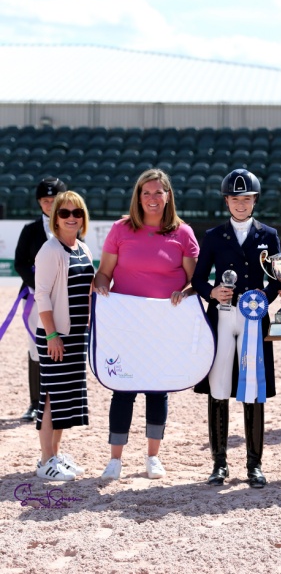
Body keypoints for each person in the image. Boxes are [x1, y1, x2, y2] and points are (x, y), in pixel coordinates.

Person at [94, 169, 199, 481]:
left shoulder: (183, 233)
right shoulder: (120, 229)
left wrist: (186, 292)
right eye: (146, 193)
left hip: (165, 327)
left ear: (168, 196)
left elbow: (196, 282)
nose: (152, 199)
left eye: (158, 192)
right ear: (137, 197)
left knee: (157, 390)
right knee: (123, 389)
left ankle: (153, 456)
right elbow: (104, 274)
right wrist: (100, 286)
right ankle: (115, 459)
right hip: (126, 326)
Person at [192, 169, 281, 488]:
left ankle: (254, 465)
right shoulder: (215, 235)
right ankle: (219, 463)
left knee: (253, 387)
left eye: (246, 199)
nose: (240, 204)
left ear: (254, 199)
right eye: (235, 199)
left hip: (254, 319)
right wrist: (212, 292)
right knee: (218, 386)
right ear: (226, 200)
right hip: (222, 315)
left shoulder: (268, 235)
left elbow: (276, 278)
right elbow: (199, 278)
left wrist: (263, 298)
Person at [34, 191, 94, 481]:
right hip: (55, 336)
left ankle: (55, 455)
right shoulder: (50, 250)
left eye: (77, 212)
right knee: (50, 398)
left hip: (75, 336)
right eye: (65, 213)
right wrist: (52, 335)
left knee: (64, 399)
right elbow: (42, 296)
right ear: (55, 217)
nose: (72, 218)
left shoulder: (83, 248)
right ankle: (46, 460)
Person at [14, 177, 67, 421]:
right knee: (36, 348)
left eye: (54, 200)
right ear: (39, 203)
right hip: (35, 298)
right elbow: (20, 263)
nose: (49, 204)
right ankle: (36, 403)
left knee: (62, 345)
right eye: (45, 201)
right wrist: (41, 288)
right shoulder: (30, 231)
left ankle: (57, 399)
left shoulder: (71, 226)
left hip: (63, 297)